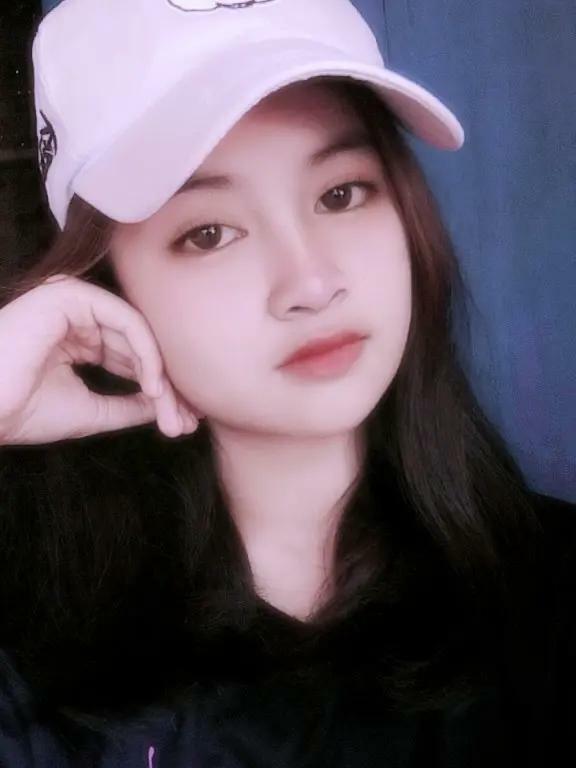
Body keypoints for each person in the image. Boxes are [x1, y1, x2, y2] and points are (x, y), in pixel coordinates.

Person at [0, 0, 573, 766]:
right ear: (106, 289)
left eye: (341, 193)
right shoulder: (32, 642)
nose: (310, 282)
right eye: (210, 233)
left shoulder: (548, 598)